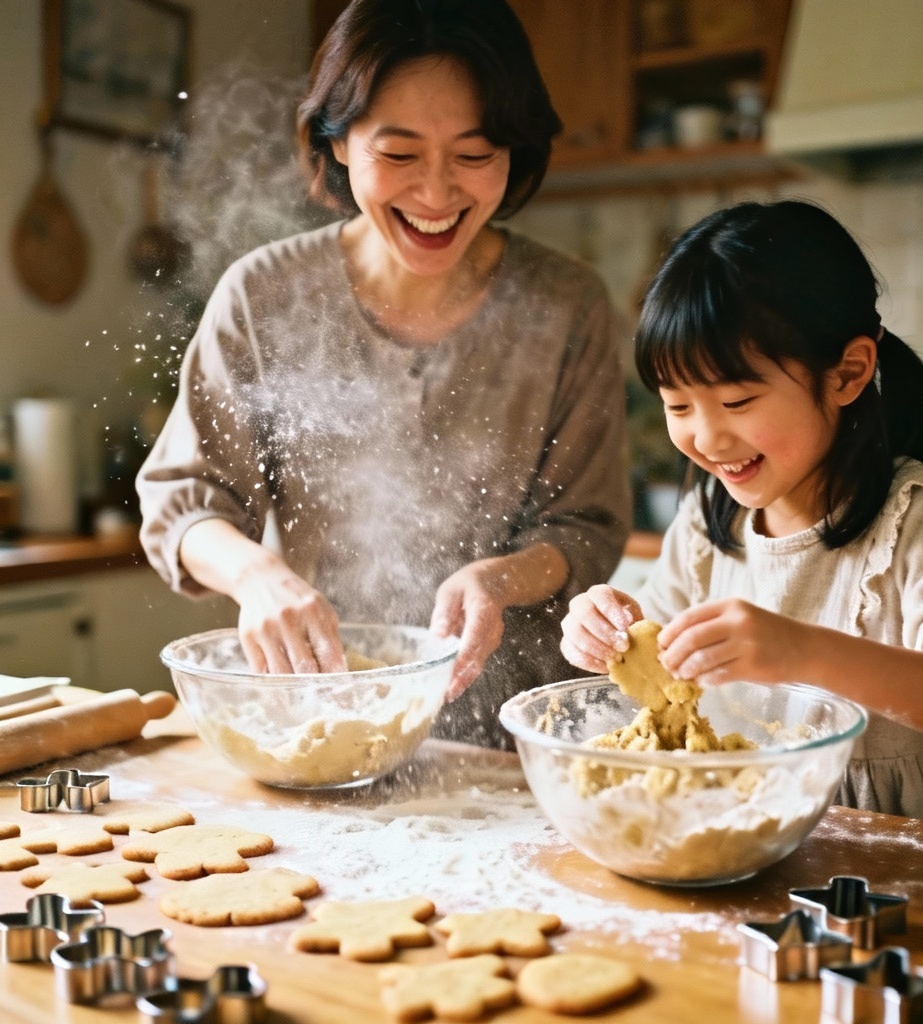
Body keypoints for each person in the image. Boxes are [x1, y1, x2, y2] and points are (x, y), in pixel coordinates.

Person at [136, 0, 632, 748]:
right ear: (337, 144)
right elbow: (182, 505)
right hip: (318, 721)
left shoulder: (567, 305)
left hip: (516, 736)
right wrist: (255, 577)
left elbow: (586, 530)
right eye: (398, 154)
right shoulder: (264, 295)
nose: (436, 195)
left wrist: (497, 579)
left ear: (516, 151)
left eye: (474, 155)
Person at [560, 199, 923, 829]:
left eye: (737, 400)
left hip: (909, 862)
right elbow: (664, 664)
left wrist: (800, 651)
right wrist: (608, 634)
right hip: (751, 842)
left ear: (848, 373)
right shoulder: (705, 524)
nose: (707, 439)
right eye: (678, 406)